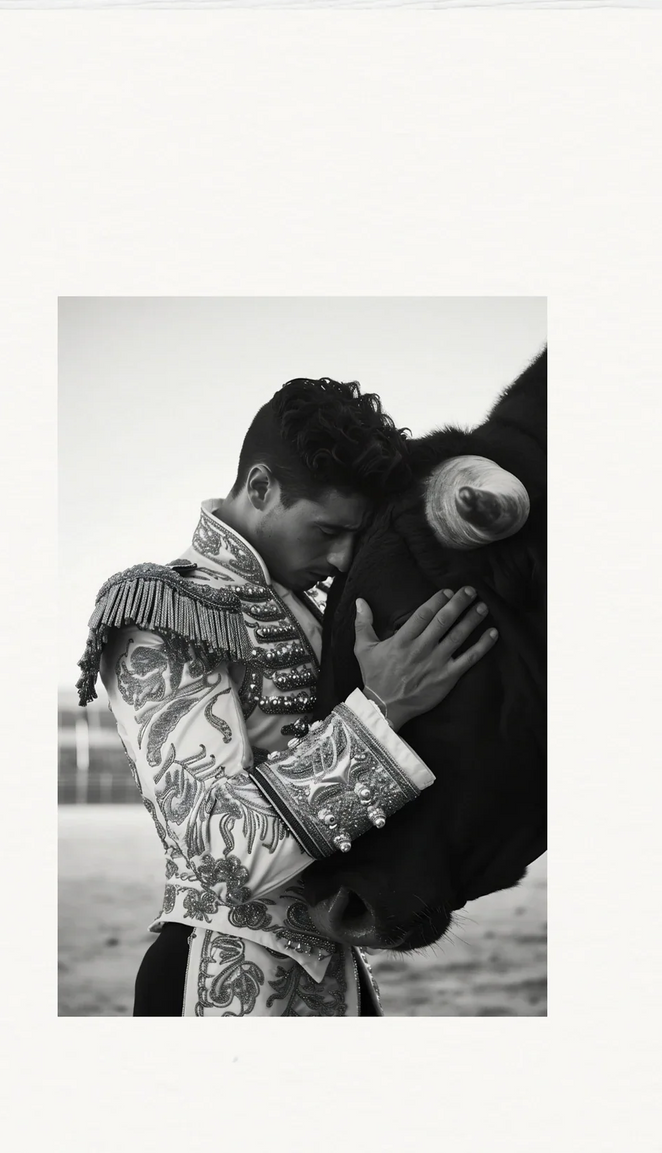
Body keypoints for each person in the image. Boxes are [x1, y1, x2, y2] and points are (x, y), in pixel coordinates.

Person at [75, 377, 498, 1016]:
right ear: (262, 487)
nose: (342, 555)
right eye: (327, 529)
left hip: (341, 980)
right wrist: (381, 711)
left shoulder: (315, 607)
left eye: (356, 536)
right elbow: (219, 853)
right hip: (217, 982)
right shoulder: (165, 608)